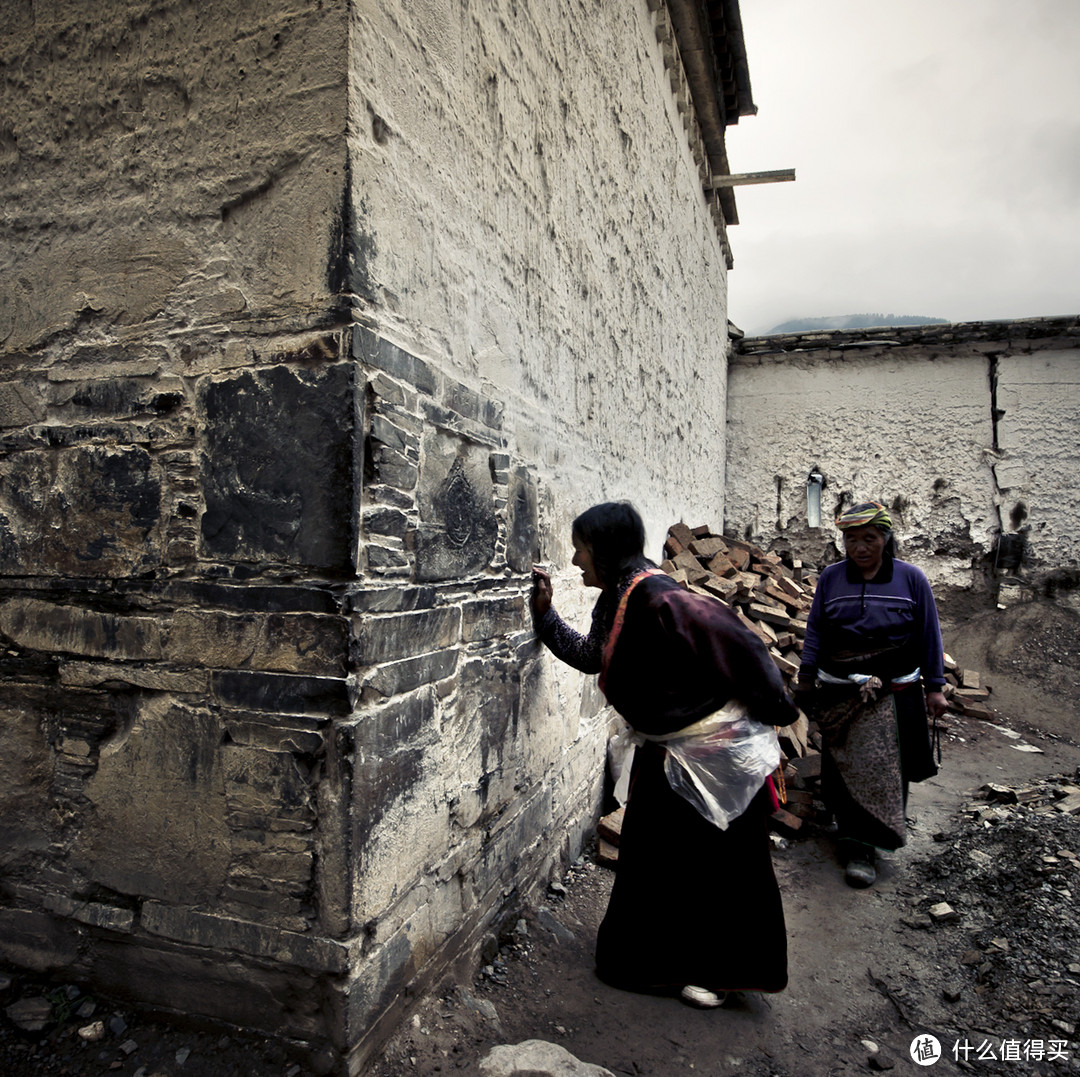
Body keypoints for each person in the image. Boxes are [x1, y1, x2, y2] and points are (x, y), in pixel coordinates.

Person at [530, 502, 796, 1008]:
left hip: (710, 756)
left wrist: (778, 709)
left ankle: (722, 971)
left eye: (581, 549)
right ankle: (654, 962)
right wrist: (545, 619)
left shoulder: (663, 599)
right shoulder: (618, 596)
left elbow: (744, 649)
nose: (574, 559)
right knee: (655, 856)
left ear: (604, 552)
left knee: (716, 862)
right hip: (672, 752)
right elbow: (594, 656)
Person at [796, 501, 947, 889]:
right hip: (840, 688)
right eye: (851, 539)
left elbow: (929, 634)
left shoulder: (911, 580)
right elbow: (816, 630)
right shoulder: (831, 579)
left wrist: (935, 687)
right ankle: (851, 839)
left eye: (869, 538)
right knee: (844, 767)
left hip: (892, 691)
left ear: (886, 539)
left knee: (884, 771)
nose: (860, 547)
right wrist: (807, 676)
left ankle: (869, 846)